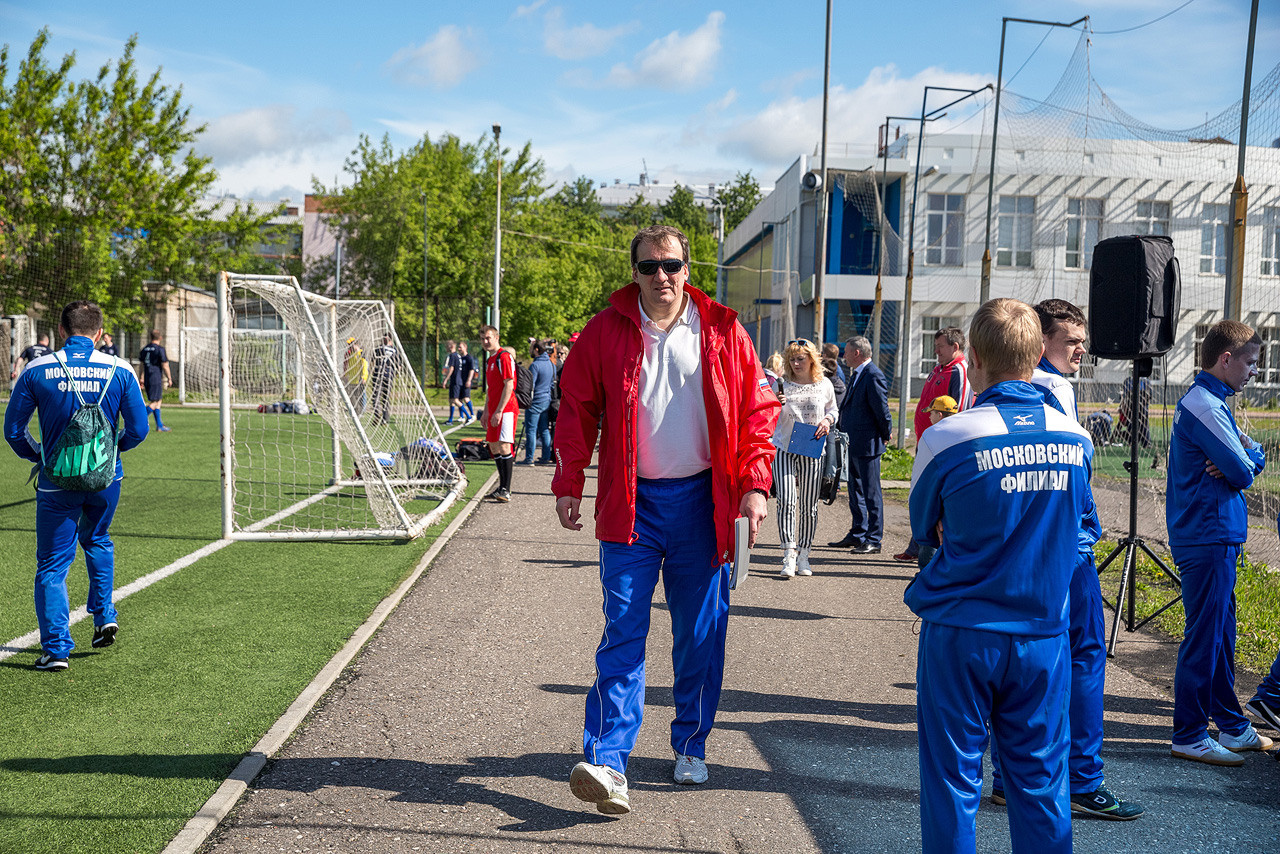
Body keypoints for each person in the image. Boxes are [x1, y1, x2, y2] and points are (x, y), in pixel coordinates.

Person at [552, 224, 779, 816]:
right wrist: (569, 480)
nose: (662, 277)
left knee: (699, 634)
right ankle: (607, 762)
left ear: (687, 268)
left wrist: (754, 487)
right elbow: (576, 407)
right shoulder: (605, 333)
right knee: (623, 632)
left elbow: (758, 412)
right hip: (631, 506)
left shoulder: (725, 330)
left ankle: (691, 743)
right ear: (634, 273)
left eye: (672, 266)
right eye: (650, 267)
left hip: (703, 506)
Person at [905, 298, 1094, 854]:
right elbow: (1086, 531)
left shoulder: (946, 437)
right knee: (1040, 784)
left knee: (952, 780)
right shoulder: (1074, 438)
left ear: (976, 358)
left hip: (963, 627)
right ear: (1039, 355)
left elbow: (923, 528)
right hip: (1041, 631)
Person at [988, 298, 1143, 820]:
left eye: (1082, 339)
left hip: (1021, 546)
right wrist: (1082, 539)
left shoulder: (1005, 388)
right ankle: (1081, 777)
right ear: (1038, 342)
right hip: (1063, 548)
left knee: (1029, 657)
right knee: (1082, 655)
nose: (1082, 349)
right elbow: (1069, 484)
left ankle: (1012, 775)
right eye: (1071, 340)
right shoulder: (1051, 391)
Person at [4, 301, 149, 671]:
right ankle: (104, 617)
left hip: (57, 482)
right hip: (106, 478)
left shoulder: (38, 369)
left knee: (52, 565)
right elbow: (138, 430)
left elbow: (13, 432)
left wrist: (41, 456)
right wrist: (112, 452)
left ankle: (56, 650)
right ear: (99, 333)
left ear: (61, 330)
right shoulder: (120, 368)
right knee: (98, 540)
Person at [1166, 319, 1272, 765]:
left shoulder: (1216, 402)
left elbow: (1251, 458)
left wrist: (1244, 457)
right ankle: (1189, 733)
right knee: (1205, 635)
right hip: (1206, 534)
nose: (1253, 372)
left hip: (1218, 534)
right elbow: (1243, 471)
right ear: (1225, 359)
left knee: (1222, 635)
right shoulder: (1205, 405)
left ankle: (1230, 724)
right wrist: (1243, 460)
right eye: (1249, 363)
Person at [895, 326, 972, 563]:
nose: (936, 351)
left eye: (940, 347)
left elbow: (958, 411)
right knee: (921, 492)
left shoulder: (959, 370)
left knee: (933, 496)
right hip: (926, 441)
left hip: (941, 447)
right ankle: (917, 544)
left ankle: (931, 551)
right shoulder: (940, 368)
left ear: (955, 347)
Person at [770, 339, 837, 578]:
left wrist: (827, 421)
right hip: (784, 446)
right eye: (792, 359)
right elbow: (767, 413)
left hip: (811, 445)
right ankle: (788, 553)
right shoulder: (782, 384)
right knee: (786, 500)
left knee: (809, 505)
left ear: (811, 359)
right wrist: (775, 405)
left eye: (800, 358)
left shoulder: (824, 384)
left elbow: (833, 409)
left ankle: (804, 554)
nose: (796, 363)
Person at [829, 336, 891, 554]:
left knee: (871, 493)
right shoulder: (858, 374)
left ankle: (874, 538)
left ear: (857, 353)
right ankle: (858, 533)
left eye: (846, 351)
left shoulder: (873, 375)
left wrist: (886, 433)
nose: (843, 356)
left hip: (868, 444)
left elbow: (881, 410)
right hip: (854, 443)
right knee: (855, 491)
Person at [479, 325, 518, 502]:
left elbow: (509, 384)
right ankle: (501, 487)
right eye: (482, 339)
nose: (485, 342)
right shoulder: (490, 360)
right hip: (494, 409)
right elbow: (491, 389)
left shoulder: (504, 357)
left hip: (506, 409)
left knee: (504, 446)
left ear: (496, 337)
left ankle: (506, 489)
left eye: (488, 338)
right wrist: (487, 411)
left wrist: (499, 411)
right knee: (494, 447)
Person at [519, 338, 555, 466]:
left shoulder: (535, 365)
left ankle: (529, 458)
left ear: (536, 350)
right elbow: (551, 383)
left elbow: (530, 385)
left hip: (535, 401)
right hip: (546, 399)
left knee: (531, 430)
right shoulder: (551, 364)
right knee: (544, 429)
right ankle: (546, 457)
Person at [138, 330, 173, 432]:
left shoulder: (145, 349)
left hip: (148, 377)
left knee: (158, 401)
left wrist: (142, 378)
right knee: (154, 403)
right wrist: (169, 378)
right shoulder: (159, 349)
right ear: (160, 338)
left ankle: (160, 426)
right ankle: (138, 419)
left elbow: (142, 365)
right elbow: (165, 365)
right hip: (156, 378)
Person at [370, 334, 398, 424]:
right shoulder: (395, 351)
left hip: (378, 375)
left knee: (376, 396)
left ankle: (377, 412)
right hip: (389, 376)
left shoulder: (379, 349)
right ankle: (385, 419)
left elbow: (372, 360)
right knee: (386, 398)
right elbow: (399, 365)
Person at [342, 337, 369, 414]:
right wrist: (346, 375)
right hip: (351, 379)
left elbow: (365, 366)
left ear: (355, 344)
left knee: (358, 398)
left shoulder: (361, 353)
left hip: (359, 380)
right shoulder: (351, 354)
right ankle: (356, 412)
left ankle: (359, 413)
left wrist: (364, 377)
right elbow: (349, 366)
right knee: (351, 398)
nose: (349, 346)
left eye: (351, 344)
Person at [455, 341, 477, 423]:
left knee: (466, 398)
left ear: (465, 347)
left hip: (466, 381)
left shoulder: (469, 358)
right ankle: (461, 416)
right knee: (459, 399)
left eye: (460, 347)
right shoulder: (459, 358)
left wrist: (469, 380)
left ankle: (472, 415)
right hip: (459, 381)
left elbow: (472, 370)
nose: (459, 349)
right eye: (458, 347)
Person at [442, 340, 462, 424]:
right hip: (456, 380)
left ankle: (469, 416)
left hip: (455, 380)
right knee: (451, 400)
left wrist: (446, 379)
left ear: (451, 346)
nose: (446, 348)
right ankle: (450, 419)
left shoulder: (452, 356)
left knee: (455, 400)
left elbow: (451, 368)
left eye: (447, 346)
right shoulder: (458, 355)